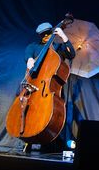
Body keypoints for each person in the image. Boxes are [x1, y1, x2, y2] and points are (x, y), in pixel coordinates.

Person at [24, 22, 76, 151]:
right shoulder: (33, 46)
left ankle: (49, 141)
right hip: (34, 85)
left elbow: (71, 55)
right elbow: (28, 55)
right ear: (40, 35)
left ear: (52, 32)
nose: (46, 36)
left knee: (51, 115)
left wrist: (64, 37)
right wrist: (30, 59)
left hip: (50, 88)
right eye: (43, 34)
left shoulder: (58, 47)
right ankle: (28, 138)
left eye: (48, 33)